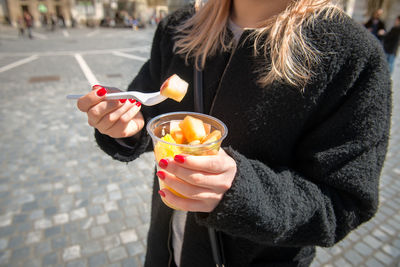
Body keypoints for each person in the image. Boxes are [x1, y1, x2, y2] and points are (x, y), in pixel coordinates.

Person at [76, 0, 392, 266]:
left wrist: (241, 192)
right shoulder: (179, 26)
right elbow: (150, 114)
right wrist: (125, 125)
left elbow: (343, 203)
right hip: (165, 250)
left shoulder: (351, 56)